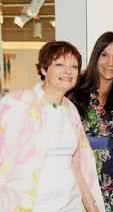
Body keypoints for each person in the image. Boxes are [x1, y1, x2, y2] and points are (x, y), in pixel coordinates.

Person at [0, 41, 105, 212]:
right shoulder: (16, 103)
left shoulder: (71, 110)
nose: (68, 71)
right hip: (30, 205)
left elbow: (78, 166)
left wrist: (93, 208)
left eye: (74, 66)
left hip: (70, 205)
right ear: (43, 69)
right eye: (59, 64)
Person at [70, 31, 113, 211]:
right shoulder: (74, 91)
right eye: (104, 55)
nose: (110, 63)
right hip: (79, 176)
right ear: (96, 56)